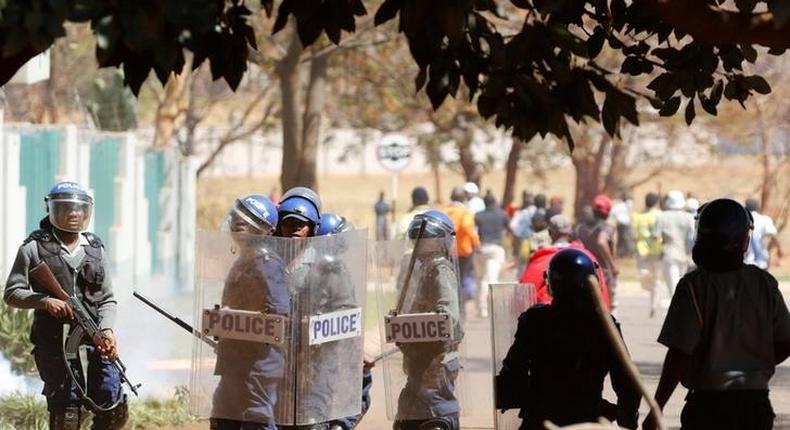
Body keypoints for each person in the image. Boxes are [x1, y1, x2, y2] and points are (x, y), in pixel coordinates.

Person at [643, 198, 790, 430]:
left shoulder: (693, 286)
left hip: (707, 406)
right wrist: (754, 366)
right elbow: (785, 342)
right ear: (744, 240)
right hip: (755, 405)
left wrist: (657, 407)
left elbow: (679, 354)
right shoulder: (765, 283)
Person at [4, 181, 127, 430]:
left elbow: (107, 299)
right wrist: (45, 301)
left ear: (86, 212)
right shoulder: (33, 248)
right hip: (53, 340)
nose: (74, 214)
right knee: (66, 412)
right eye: (67, 208)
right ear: (52, 209)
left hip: (95, 338)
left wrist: (107, 330)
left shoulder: (95, 249)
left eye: (79, 209)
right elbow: (12, 292)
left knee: (112, 406)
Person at [496, 248, 639, 430]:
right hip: (588, 419)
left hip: (540, 419)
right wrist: (627, 419)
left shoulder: (535, 321)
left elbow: (513, 372)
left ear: (552, 283)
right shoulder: (604, 324)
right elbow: (627, 381)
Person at [211, 194, 289, 430]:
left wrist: (238, 325)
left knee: (257, 420)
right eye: (237, 216)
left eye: (250, 219)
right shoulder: (243, 261)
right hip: (234, 361)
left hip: (258, 365)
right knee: (223, 419)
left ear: (266, 230)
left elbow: (279, 318)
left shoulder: (268, 265)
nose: (239, 222)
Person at [394, 210, 464, 430]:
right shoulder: (425, 268)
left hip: (436, 358)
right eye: (418, 239)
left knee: (435, 413)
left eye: (426, 239)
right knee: (409, 411)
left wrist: (411, 327)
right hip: (421, 357)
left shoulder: (440, 269)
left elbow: (447, 317)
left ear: (439, 241)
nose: (420, 243)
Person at [519, 215, 611, 310]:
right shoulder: (587, 257)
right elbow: (600, 291)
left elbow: (525, 293)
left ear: (550, 233)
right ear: (570, 232)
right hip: (583, 315)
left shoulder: (540, 259)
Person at [575, 194, 619, 308]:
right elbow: (602, 242)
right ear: (608, 212)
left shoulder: (580, 228)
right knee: (608, 306)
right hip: (603, 273)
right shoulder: (607, 228)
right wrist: (613, 265)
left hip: (583, 271)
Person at [444, 186, 480, 315]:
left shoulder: (445, 211)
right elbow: (466, 226)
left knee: (451, 281)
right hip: (464, 250)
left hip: (448, 251)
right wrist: (476, 243)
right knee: (463, 279)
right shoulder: (465, 212)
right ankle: (461, 311)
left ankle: (452, 309)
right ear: (463, 198)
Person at [474, 193, 511, 318]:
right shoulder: (502, 214)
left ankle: (482, 308)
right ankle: (492, 308)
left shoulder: (478, 216)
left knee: (481, 280)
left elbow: (474, 232)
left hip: (481, 249)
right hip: (495, 249)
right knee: (492, 279)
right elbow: (509, 230)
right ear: (495, 202)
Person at [654, 190, 695, 299]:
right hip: (685, 255)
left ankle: (676, 309)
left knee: (673, 287)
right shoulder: (689, 217)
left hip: (669, 254)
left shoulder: (662, 216)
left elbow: (656, 237)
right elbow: (692, 237)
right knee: (681, 283)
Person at [631, 192, 664, 317]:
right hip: (657, 250)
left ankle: (654, 306)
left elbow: (634, 234)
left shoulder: (637, 216)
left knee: (644, 276)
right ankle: (654, 299)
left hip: (643, 251)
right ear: (656, 202)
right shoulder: (660, 215)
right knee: (655, 280)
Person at [744, 197, 781, 270]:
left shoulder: (743, 219)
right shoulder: (765, 220)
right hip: (761, 262)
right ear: (758, 207)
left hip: (746, 262)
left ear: (745, 207)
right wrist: (778, 249)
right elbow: (773, 235)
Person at [611, 193, 635, 258]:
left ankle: (621, 253)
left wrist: (616, 218)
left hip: (619, 224)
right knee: (628, 238)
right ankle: (629, 252)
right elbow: (631, 204)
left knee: (621, 238)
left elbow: (612, 213)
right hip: (626, 224)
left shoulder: (617, 206)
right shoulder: (627, 205)